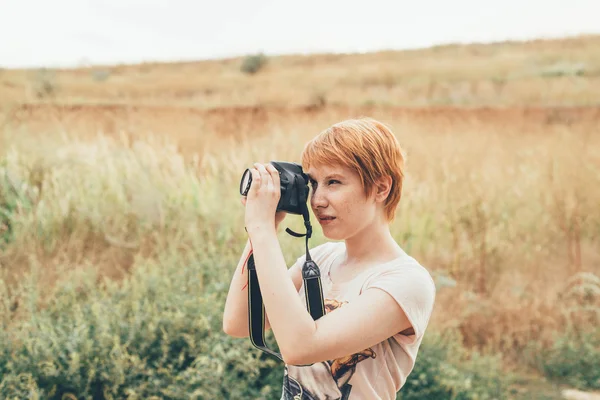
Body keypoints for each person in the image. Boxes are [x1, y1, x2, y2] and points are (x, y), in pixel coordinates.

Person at [223, 117, 436, 400]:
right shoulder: (322, 259)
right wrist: (262, 226)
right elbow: (238, 322)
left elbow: (300, 347)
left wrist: (262, 231)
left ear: (381, 188)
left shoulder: (406, 282)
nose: (317, 200)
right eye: (313, 184)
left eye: (333, 182)